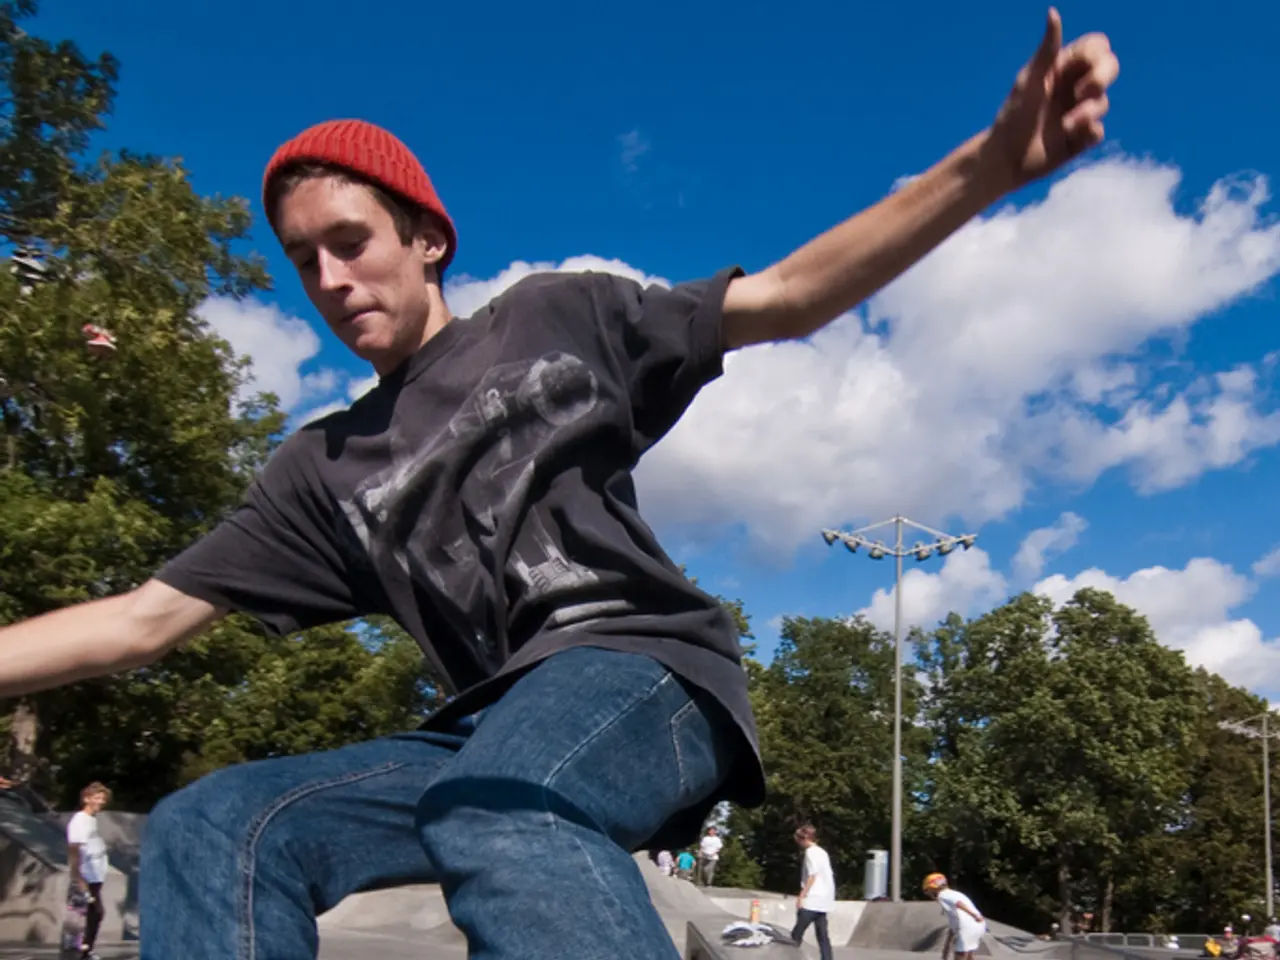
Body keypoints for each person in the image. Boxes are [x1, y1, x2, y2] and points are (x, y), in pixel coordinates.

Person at [0, 11, 1118, 958]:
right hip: (476, 730)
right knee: (218, 824)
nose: (331, 282)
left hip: (640, 669)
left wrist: (984, 168)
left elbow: (783, 298)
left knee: (497, 807)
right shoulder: (320, 469)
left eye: (350, 242)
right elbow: (146, 620)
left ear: (426, 238)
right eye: (303, 262)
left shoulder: (552, 318)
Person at [66, 782, 111, 960]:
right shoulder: (79, 820)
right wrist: (78, 878)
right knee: (94, 913)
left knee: (93, 914)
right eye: (97, 798)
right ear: (86, 799)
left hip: (96, 876)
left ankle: (85, 950)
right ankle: (82, 951)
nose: (101, 802)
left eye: (102, 798)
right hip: (86, 876)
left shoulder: (92, 820)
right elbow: (74, 850)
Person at [791, 824, 836, 960]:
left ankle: (789, 957)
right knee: (822, 936)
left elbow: (812, 876)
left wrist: (801, 895)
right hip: (824, 900)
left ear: (802, 839)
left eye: (797, 840)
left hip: (812, 900)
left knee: (796, 935)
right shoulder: (822, 852)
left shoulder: (810, 852)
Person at [924, 873, 987, 960]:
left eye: (928, 890)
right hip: (978, 925)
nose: (929, 894)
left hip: (968, 925)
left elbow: (958, 903)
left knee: (960, 955)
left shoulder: (942, 895)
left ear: (933, 888)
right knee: (969, 954)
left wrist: (973, 915)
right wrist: (945, 954)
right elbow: (951, 930)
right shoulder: (954, 893)